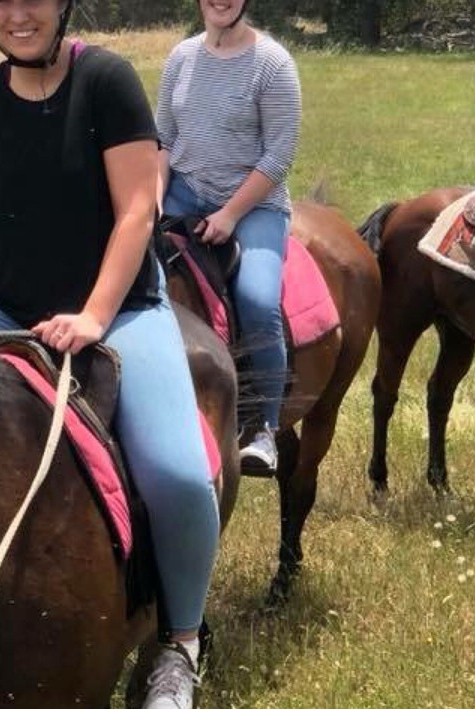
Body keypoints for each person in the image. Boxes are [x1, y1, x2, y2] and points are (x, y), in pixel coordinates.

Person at [0, 0, 219, 709]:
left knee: (181, 473)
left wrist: (94, 317)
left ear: (63, 5)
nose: (16, 13)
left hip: (119, 312)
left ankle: (181, 642)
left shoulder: (107, 82)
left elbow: (135, 214)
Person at [155, 0, 302, 476]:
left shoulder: (273, 63)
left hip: (254, 205)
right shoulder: (180, 58)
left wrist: (231, 214)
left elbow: (278, 156)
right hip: (181, 194)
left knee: (258, 299)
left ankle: (265, 428)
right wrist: (155, 200)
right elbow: (163, 140)